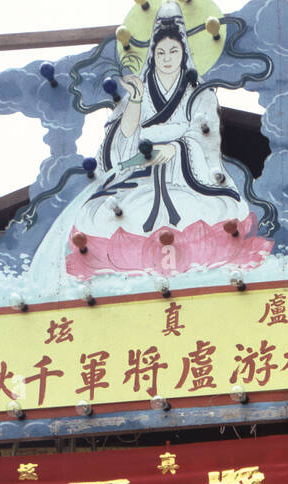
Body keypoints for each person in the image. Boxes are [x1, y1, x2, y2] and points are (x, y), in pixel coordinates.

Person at [44, 2, 271, 280]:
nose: (167, 58)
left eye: (174, 51)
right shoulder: (139, 91)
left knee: (219, 212)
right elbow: (121, 140)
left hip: (188, 179)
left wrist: (176, 148)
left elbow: (204, 139)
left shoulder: (201, 95)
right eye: (161, 52)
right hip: (139, 179)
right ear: (152, 54)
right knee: (98, 217)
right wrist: (136, 101)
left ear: (184, 53)